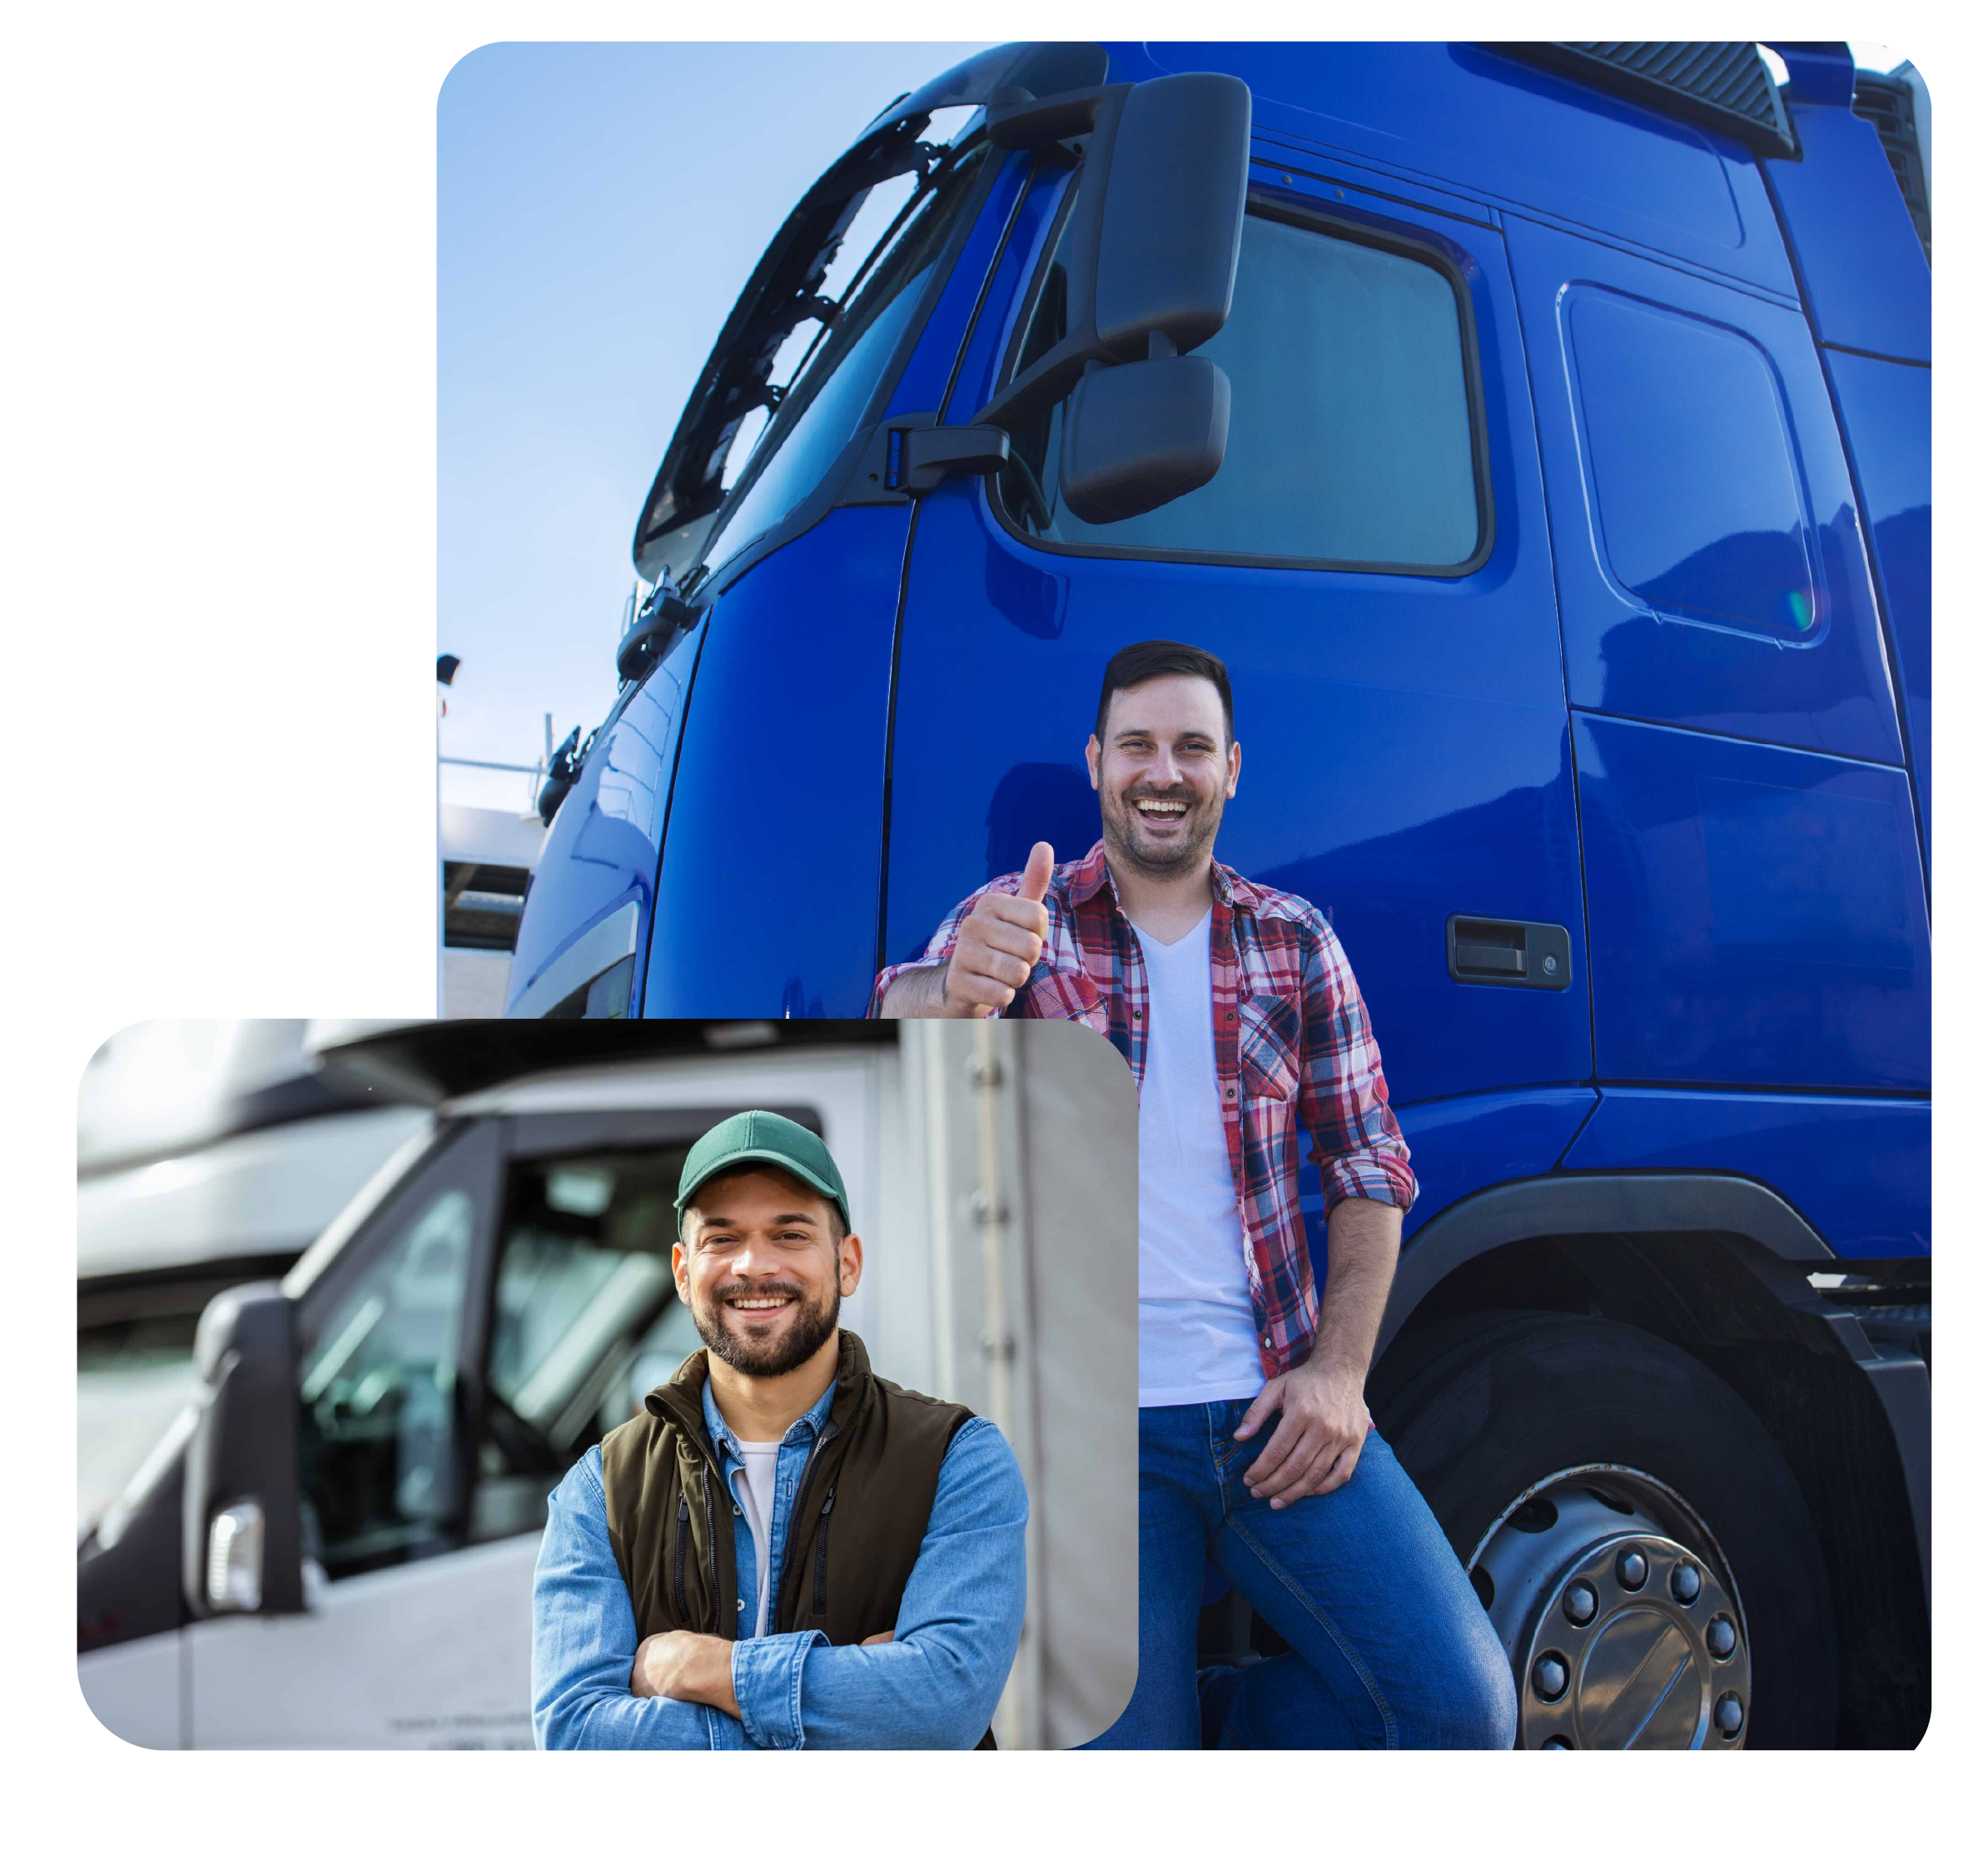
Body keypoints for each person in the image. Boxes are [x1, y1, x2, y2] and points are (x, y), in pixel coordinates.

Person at [874, 639, 1517, 1749]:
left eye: (1190, 747)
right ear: (1095, 762)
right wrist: (948, 988)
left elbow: (1369, 1167)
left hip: (1278, 1417)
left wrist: (1341, 1373)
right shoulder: (1017, 925)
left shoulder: (1296, 939)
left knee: (1462, 1712)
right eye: (1136, 745)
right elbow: (897, 1037)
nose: (1161, 772)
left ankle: (1203, 1713)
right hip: (1088, 1438)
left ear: (1230, 769)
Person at [531, 1110, 1027, 1749]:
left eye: (790, 1234)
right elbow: (574, 1734)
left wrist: (701, 1670)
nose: (754, 1264)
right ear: (683, 1272)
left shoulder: (958, 1459)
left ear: (847, 1263)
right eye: (722, 1238)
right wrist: (854, 1701)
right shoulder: (601, 1489)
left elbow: (941, 1709)